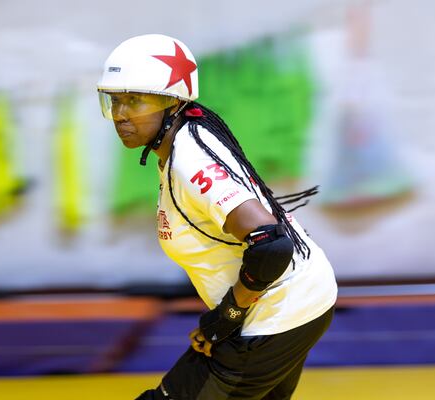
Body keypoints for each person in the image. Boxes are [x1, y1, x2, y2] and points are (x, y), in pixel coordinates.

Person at [97, 34, 337, 400]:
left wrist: (226, 316)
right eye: (114, 101)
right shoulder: (189, 134)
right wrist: (224, 320)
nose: (121, 115)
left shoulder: (191, 161)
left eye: (135, 100)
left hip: (276, 316)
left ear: (173, 102)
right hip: (297, 302)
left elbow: (270, 244)